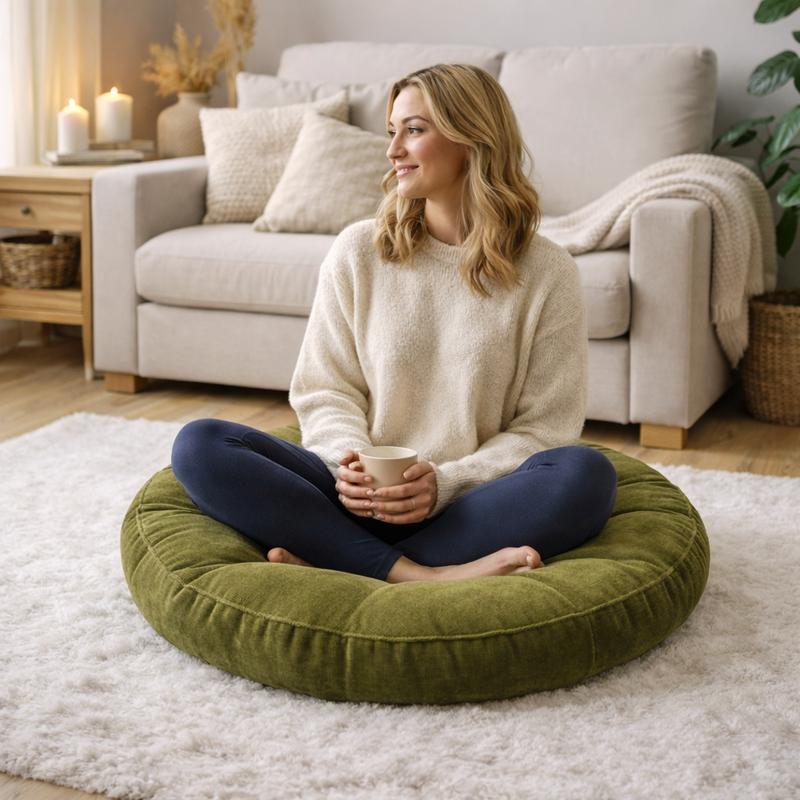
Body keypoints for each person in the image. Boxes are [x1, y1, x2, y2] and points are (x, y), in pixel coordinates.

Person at [171, 63, 617, 584]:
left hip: (466, 501)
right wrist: (348, 466)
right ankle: (420, 576)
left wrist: (445, 482)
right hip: (348, 496)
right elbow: (324, 389)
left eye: (414, 130)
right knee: (201, 444)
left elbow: (545, 428)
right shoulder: (359, 250)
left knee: (586, 476)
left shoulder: (547, 272)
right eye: (392, 131)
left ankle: (337, 560)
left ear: (472, 137)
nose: (392, 151)